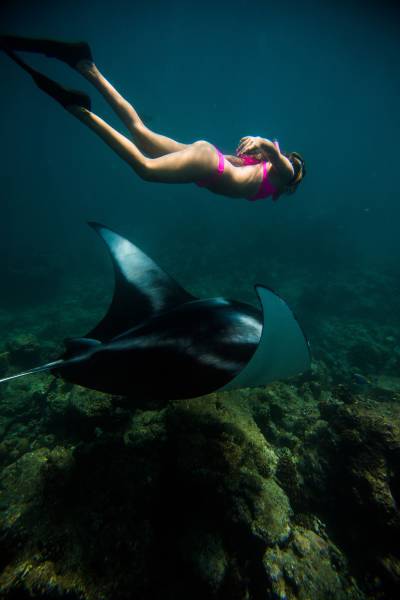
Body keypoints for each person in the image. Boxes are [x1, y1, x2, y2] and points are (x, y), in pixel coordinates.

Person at [1, 35, 306, 202]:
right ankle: (80, 110)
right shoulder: (285, 172)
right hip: (208, 164)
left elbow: (267, 159)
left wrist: (262, 148)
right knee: (145, 169)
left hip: (208, 159)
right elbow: (284, 164)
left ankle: (85, 65)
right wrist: (264, 143)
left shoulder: (265, 173)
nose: (291, 183)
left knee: (141, 133)